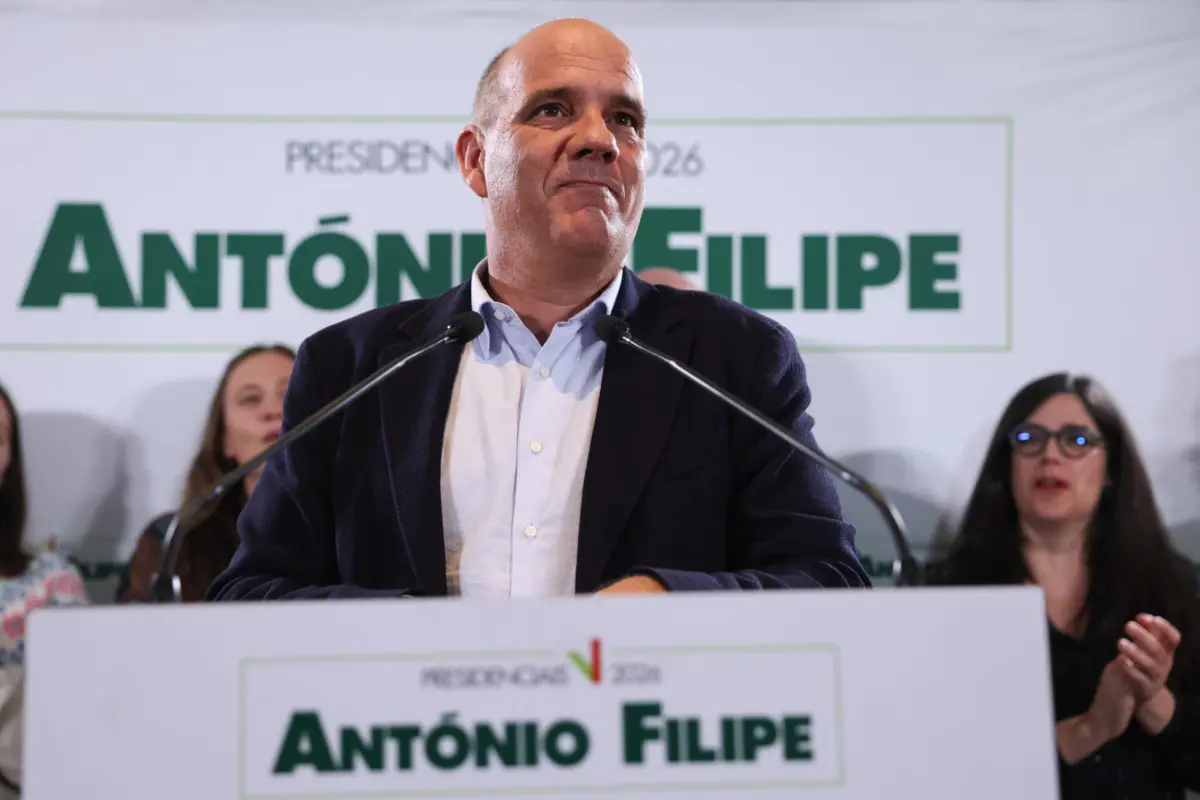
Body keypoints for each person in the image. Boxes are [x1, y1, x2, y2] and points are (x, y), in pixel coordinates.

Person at [208, 18, 867, 602]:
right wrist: (397, 641)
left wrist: (670, 600)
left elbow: (827, 582)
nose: (599, 140)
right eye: (552, 111)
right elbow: (251, 592)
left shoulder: (734, 358)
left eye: (626, 120)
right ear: (475, 160)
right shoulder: (351, 365)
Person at [927, 373, 1198, 799]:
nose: (1050, 455)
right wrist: (1089, 729)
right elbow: (938, 766)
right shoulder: (951, 593)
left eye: (1077, 440)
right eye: (1029, 438)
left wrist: (1150, 698)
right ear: (1005, 464)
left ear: (1111, 469)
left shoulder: (1175, 587)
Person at [117, 345, 295, 603]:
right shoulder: (171, 540)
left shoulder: (362, 530)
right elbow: (130, 637)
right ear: (225, 440)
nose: (272, 411)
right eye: (251, 399)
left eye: (289, 394)